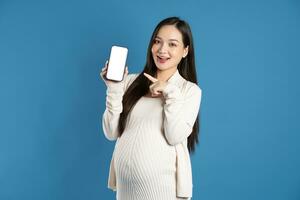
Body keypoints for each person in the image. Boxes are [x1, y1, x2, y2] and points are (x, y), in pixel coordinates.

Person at [100, 16, 202, 200]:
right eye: (157, 42)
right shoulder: (130, 81)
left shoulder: (189, 91)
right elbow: (111, 132)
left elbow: (174, 136)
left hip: (162, 191)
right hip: (126, 190)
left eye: (172, 44)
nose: (162, 50)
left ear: (185, 51)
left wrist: (170, 93)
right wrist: (114, 88)